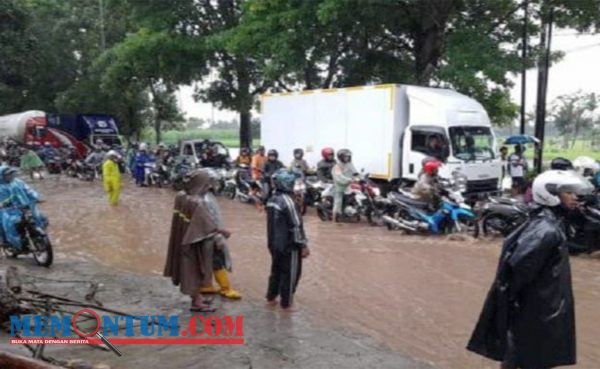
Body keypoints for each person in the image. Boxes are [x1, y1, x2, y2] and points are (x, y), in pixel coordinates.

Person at [467, 170, 593, 369]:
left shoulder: (549, 224)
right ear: (551, 194)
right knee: (530, 360)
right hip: (535, 315)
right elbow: (517, 272)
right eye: (568, 192)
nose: (575, 196)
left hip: (538, 312)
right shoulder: (546, 231)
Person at [164, 169, 229, 312]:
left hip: (183, 237)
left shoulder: (181, 196)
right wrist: (222, 233)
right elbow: (207, 226)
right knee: (196, 270)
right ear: (200, 184)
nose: (208, 188)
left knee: (188, 269)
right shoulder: (197, 202)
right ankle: (196, 302)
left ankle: (197, 297)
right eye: (206, 185)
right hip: (195, 242)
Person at [265, 169, 310, 311]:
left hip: (274, 244)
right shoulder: (288, 202)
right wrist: (303, 245)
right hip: (289, 245)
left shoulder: (272, 199)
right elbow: (295, 225)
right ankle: (286, 303)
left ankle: (271, 297)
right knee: (291, 274)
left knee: (276, 270)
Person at [198, 170, 241, 299]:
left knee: (207, 260)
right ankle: (225, 288)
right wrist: (220, 233)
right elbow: (208, 221)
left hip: (208, 235)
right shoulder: (204, 199)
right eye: (213, 182)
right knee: (217, 261)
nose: (216, 184)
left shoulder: (204, 196)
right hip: (211, 235)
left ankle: (206, 285)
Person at [0, 166, 47, 250]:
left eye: (11, 174)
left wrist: (37, 197)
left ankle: (39, 238)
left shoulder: (18, 182)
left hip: (25, 206)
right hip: (8, 211)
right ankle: (14, 243)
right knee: (11, 225)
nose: (10, 176)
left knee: (42, 218)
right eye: (7, 174)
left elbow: (28, 190)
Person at [331, 149, 357, 222]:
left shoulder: (350, 164)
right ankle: (334, 219)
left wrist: (361, 178)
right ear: (341, 157)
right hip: (340, 186)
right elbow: (339, 176)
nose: (347, 158)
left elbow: (355, 172)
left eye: (348, 157)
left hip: (349, 185)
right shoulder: (337, 166)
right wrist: (348, 179)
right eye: (345, 157)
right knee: (338, 202)